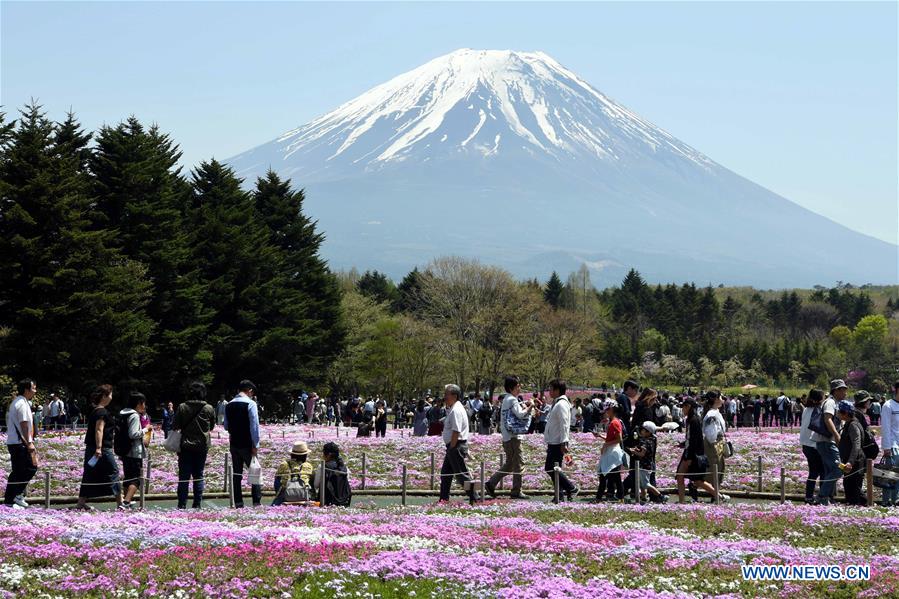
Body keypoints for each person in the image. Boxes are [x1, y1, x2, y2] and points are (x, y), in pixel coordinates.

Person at [76, 385, 122, 510]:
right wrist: (99, 447)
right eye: (110, 394)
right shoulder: (102, 412)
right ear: (104, 396)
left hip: (92, 447)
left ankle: (81, 502)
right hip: (102, 448)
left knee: (89, 473)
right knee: (113, 471)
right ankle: (120, 503)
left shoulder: (95, 410)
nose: (112, 397)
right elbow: (99, 430)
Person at [486, 376, 531, 499]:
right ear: (512, 388)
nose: (519, 388)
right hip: (513, 437)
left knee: (510, 464)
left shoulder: (507, 399)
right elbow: (521, 415)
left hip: (507, 436)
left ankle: (491, 483)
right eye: (518, 386)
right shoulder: (512, 399)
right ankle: (516, 490)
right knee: (518, 464)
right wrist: (530, 406)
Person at [174, 381, 216, 509]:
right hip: (201, 446)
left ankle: (181, 504)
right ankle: (197, 503)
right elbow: (212, 426)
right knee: (199, 475)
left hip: (185, 446)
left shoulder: (182, 407)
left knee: (184, 476)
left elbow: (176, 425)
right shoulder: (209, 408)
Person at [224, 380, 262, 508]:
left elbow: (226, 426)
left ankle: (238, 502)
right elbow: (254, 426)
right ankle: (256, 502)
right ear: (249, 390)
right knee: (254, 472)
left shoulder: (228, 405)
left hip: (234, 443)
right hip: (247, 443)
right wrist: (255, 445)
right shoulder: (251, 404)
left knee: (236, 473)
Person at [675, 397, 720, 503]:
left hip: (692, 454)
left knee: (697, 480)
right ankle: (681, 501)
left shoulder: (693, 420)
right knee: (683, 477)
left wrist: (689, 457)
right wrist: (683, 444)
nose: (682, 410)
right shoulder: (691, 419)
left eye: (684, 407)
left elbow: (695, 440)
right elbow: (691, 438)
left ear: (689, 407)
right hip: (690, 452)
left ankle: (719, 496)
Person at [4, 379, 38, 509]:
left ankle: (13, 497)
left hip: (16, 442)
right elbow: (24, 425)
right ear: (26, 389)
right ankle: (13, 497)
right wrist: (30, 443)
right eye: (34, 388)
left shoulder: (19, 402)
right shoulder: (22, 404)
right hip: (20, 443)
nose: (35, 391)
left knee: (19, 471)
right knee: (29, 468)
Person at [439, 384, 475, 502]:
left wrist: (452, 447)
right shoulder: (454, 408)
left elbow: (456, 430)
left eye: (446, 394)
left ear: (454, 396)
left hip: (455, 445)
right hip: (453, 445)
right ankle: (443, 498)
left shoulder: (456, 410)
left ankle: (475, 496)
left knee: (461, 475)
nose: (445, 397)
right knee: (446, 473)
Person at [812, 379, 846, 506]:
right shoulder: (831, 402)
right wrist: (837, 436)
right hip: (827, 441)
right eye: (842, 390)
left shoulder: (835, 402)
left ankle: (825, 498)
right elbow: (828, 419)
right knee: (838, 469)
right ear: (835, 390)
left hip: (826, 441)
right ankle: (822, 496)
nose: (845, 393)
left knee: (829, 470)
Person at [544, 379, 578, 502]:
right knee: (554, 468)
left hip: (557, 441)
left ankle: (571, 487)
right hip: (554, 440)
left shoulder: (561, 404)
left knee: (550, 468)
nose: (549, 392)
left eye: (551, 389)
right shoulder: (558, 403)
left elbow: (564, 424)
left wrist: (564, 441)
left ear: (557, 390)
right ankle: (559, 495)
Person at [115, 391, 151, 510]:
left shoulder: (123, 413)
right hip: (134, 451)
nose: (144, 406)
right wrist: (146, 429)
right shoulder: (134, 415)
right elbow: (133, 434)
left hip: (125, 451)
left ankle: (126, 501)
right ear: (138, 403)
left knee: (128, 477)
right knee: (136, 479)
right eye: (143, 403)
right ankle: (126, 502)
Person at [594, 399, 626, 502]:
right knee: (614, 476)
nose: (605, 412)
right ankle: (620, 496)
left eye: (607, 410)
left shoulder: (614, 423)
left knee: (604, 474)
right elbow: (612, 439)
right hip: (612, 451)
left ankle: (599, 497)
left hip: (612, 452)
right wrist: (601, 436)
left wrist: (605, 444)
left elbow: (619, 439)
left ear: (611, 409)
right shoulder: (614, 422)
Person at [628, 421, 667, 504]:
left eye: (643, 430)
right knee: (642, 484)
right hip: (648, 464)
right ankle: (643, 498)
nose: (641, 431)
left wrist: (633, 451)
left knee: (646, 484)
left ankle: (660, 496)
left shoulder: (645, 441)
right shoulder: (653, 439)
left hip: (644, 465)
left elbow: (642, 454)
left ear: (648, 432)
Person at [836, 400, 865, 506]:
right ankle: (856, 506)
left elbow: (856, 445)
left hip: (855, 462)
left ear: (846, 413)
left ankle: (860, 506)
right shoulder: (849, 423)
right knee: (849, 486)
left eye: (840, 411)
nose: (838, 413)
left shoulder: (853, 425)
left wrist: (850, 462)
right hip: (851, 461)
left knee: (853, 488)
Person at [701, 391, 728, 500]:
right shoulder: (711, 414)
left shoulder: (716, 412)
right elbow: (710, 435)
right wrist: (716, 441)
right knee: (714, 468)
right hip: (713, 444)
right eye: (721, 397)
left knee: (719, 467)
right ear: (716, 399)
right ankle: (714, 494)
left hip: (718, 443)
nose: (723, 399)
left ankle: (715, 492)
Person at [800, 389, 825, 504]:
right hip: (815, 445)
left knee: (813, 472)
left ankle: (808, 496)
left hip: (805, 445)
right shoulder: (819, 410)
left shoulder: (806, 409)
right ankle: (822, 496)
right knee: (823, 471)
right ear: (820, 399)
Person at [273, 441, 314, 506]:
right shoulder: (308, 466)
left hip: (285, 496)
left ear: (292, 454)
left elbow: (277, 481)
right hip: (304, 496)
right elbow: (312, 482)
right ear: (305, 455)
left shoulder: (284, 464)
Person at [312, 442, 352, 506]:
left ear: (328, 455)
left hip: (327, 501)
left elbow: (316, 485)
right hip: (344, 501)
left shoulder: (322, 466)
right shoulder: (343, 467)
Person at [880, 381, 899, 507]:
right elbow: (885, 427)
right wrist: (886, 447)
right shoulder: (888, 405)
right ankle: (886, 501)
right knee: (890, 475)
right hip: (892, 445)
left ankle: (895, 500)